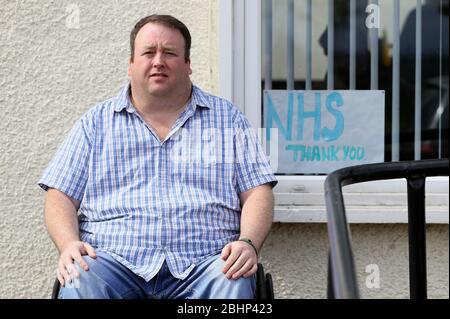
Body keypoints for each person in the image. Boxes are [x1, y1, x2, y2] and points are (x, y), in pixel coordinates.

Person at [39, 14, 277, 299]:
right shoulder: (95, 123)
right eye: (148, 52)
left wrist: (248, 243)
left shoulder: (229, 119)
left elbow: (258, 192)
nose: (158, 61)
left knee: (234, 282)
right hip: (113, 266)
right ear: (130, 64)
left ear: (188, 65)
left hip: (207, 266)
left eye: (170, 53)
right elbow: (59, 195)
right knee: (79, 278)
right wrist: (68, 244)